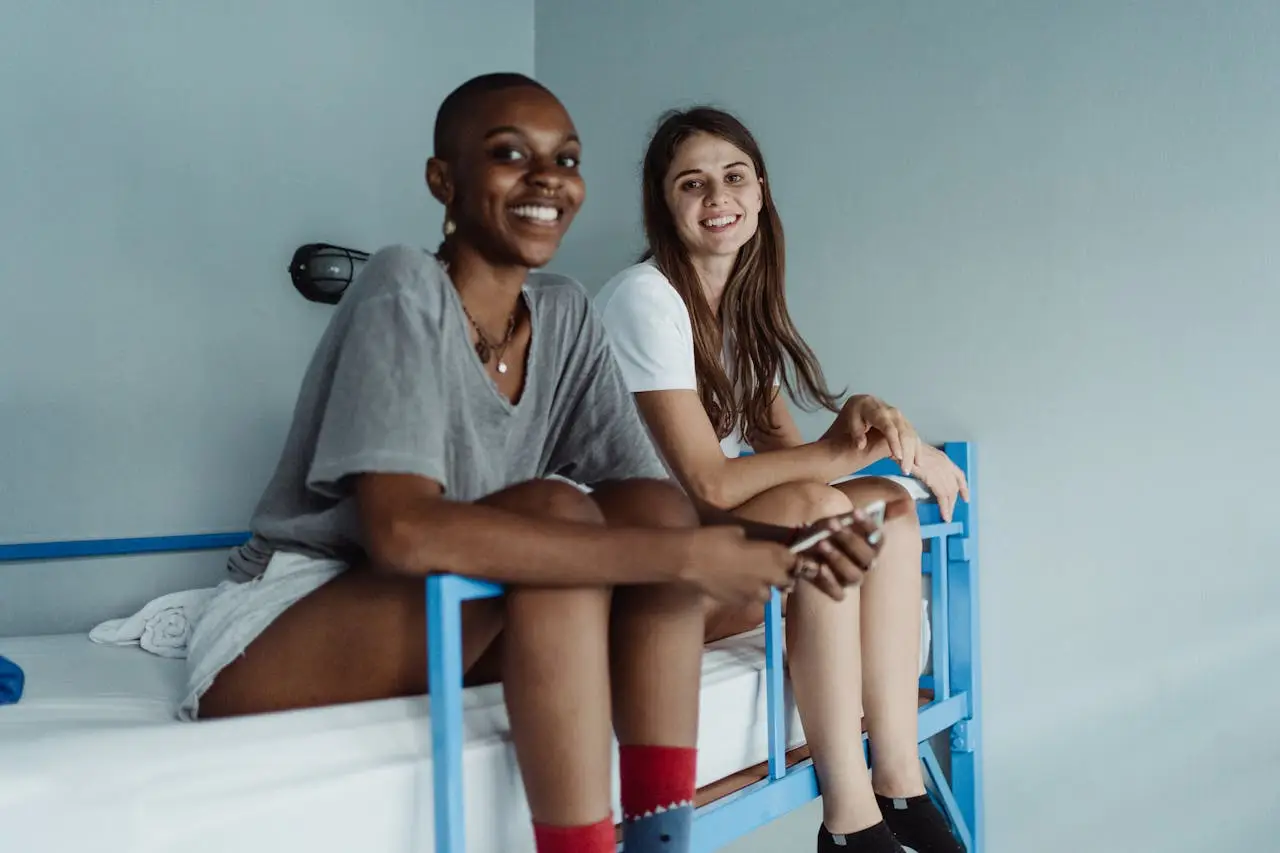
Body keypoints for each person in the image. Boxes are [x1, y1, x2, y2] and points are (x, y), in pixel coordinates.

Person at [178, 77, 888, 853]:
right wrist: (687, 553)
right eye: (510, 154)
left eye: (567, 157)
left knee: (641, 512)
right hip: (300, 607)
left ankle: (659, 840)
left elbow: (660, 508)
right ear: (443, 180)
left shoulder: (562, 311)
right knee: (557, 511)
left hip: (466, 598)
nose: (547, 177)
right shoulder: (402, 285)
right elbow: (403, 533)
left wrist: (777, 544)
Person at [594, 106, 971, 853]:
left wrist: (883, 442)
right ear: (663, 207)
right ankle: (848, 814)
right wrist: (876, 447)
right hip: (643, 571)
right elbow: (713, 483)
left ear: (760, 192)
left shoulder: (742, 317)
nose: (717, 196)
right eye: (691, 183)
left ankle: (899, 779)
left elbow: (793, 464)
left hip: (714, 560)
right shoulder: (645, 300)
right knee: (824, 503)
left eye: (733, 176)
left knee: (889, 506)